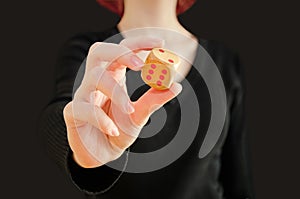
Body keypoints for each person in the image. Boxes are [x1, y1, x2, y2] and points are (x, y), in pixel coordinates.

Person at [39, 0, 254, 198]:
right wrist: (79, 145)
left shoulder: (225, 62)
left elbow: (238, 181)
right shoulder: (89, 52)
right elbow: (59, 113)